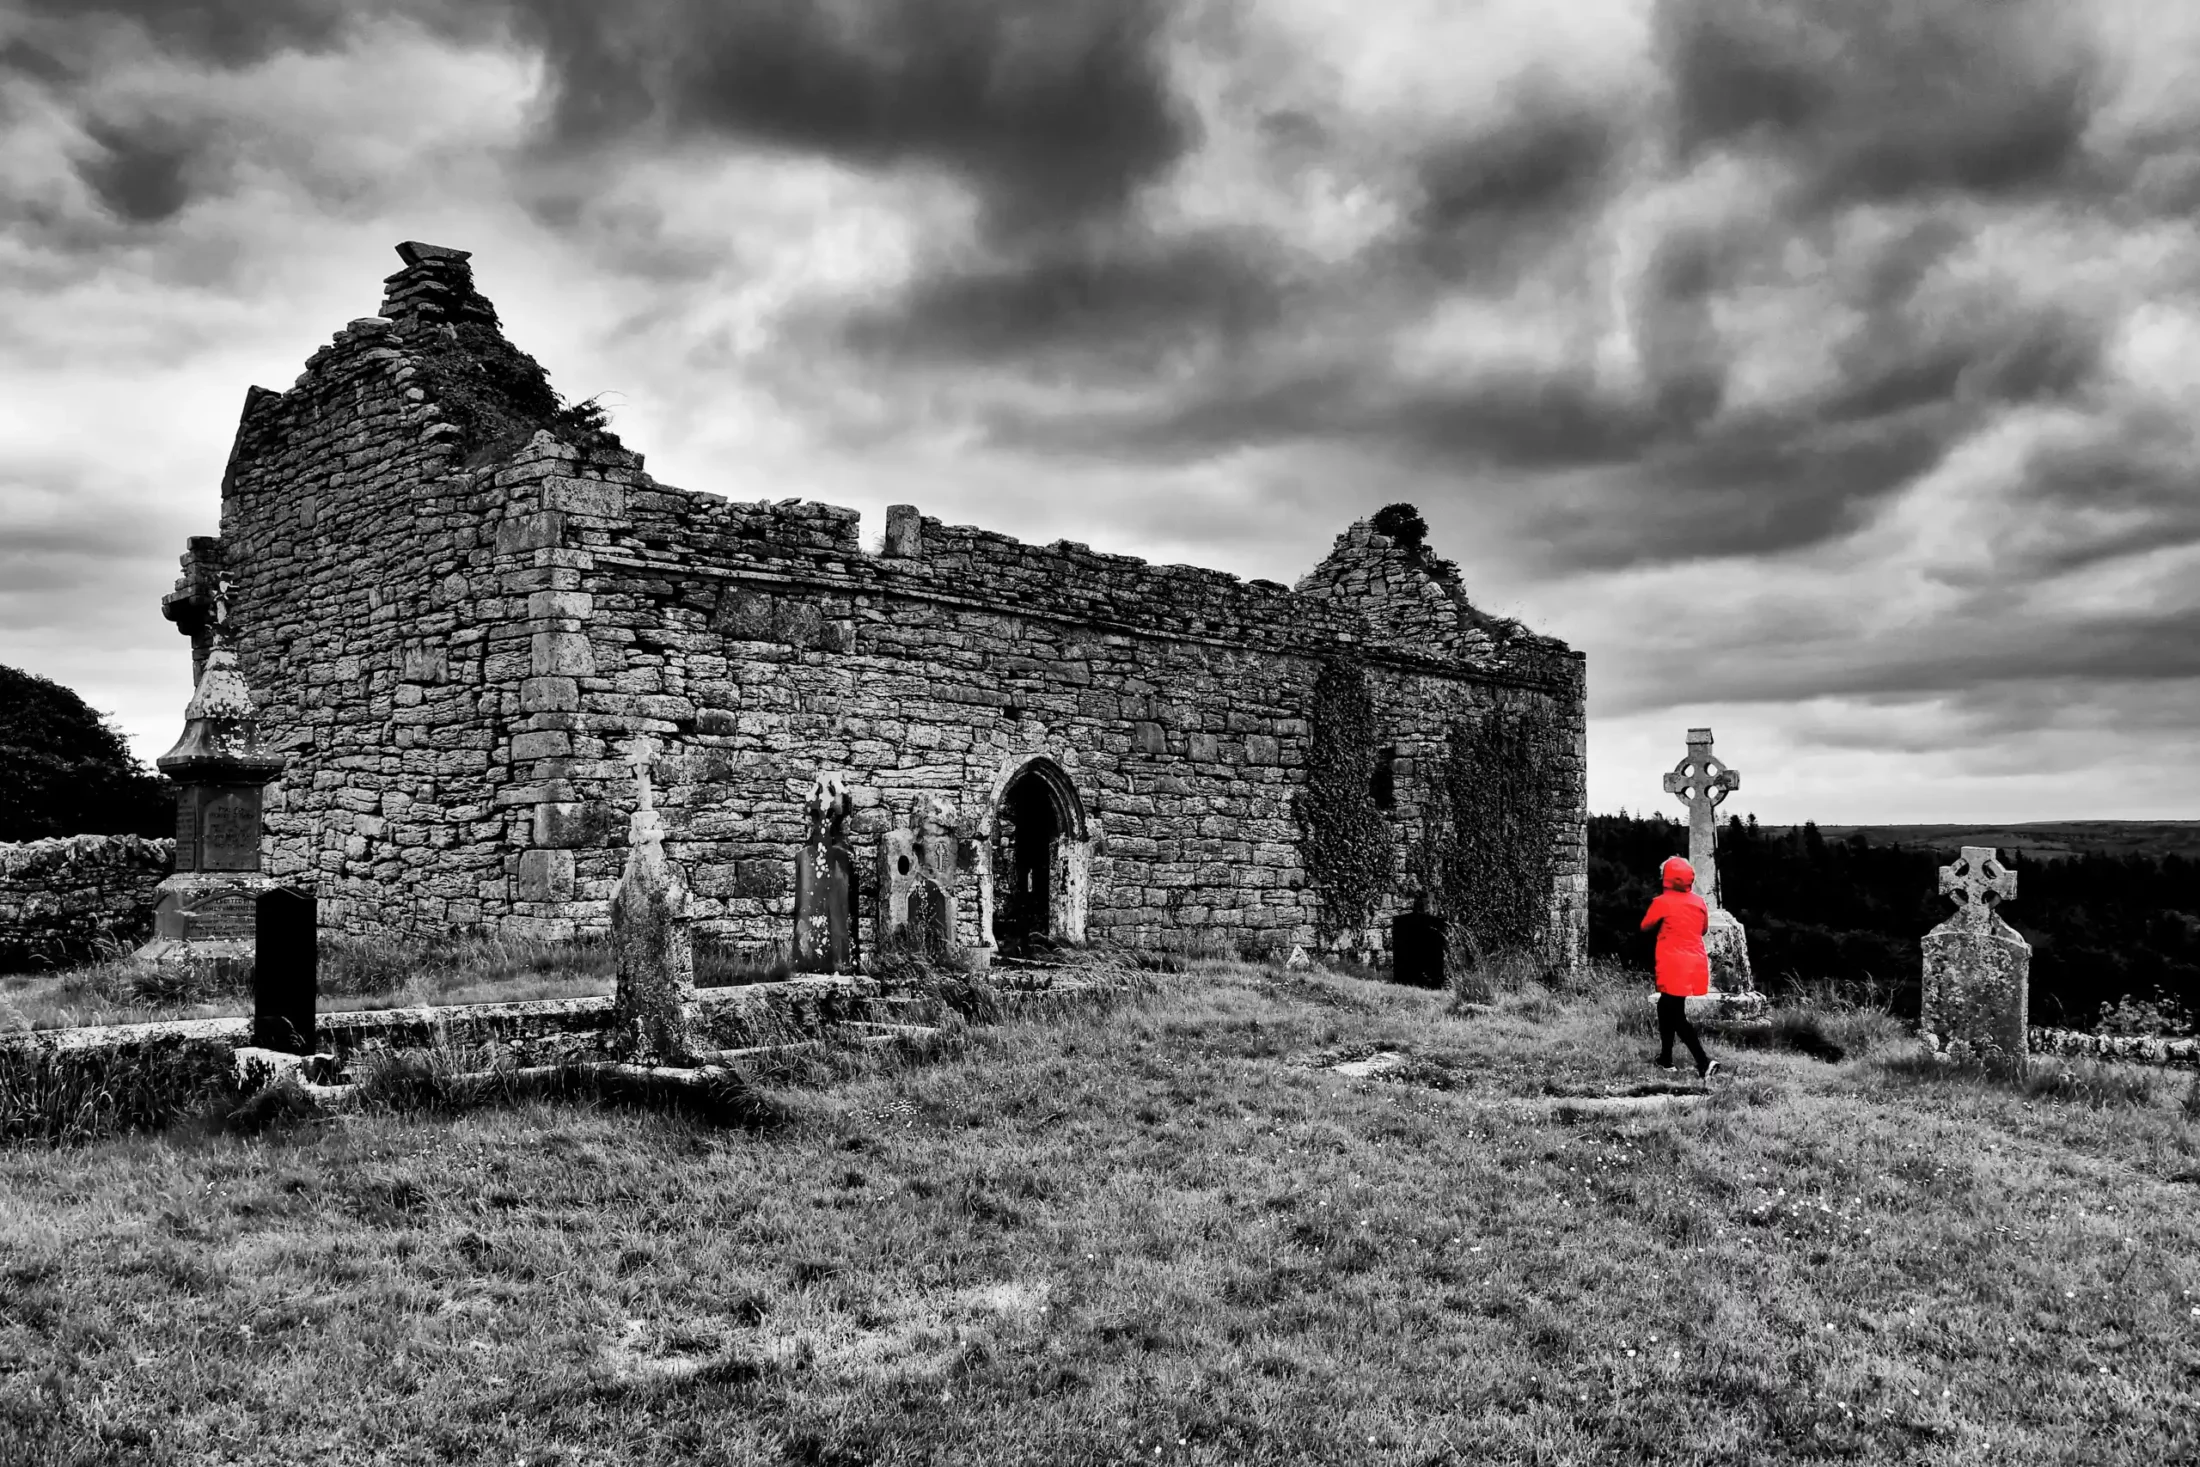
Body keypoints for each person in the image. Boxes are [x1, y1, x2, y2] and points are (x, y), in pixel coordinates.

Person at [1640, 856, 1722, 1080]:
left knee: (1675, 1015)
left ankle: (1704, 1062)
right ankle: (1665, 1059)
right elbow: (1703, 930)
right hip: (1694, 961)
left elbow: (1645, 925)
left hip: (1672, 962)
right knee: (1667, 1007)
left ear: (1666, 877)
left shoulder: (1662, 902)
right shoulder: (1699, 903)